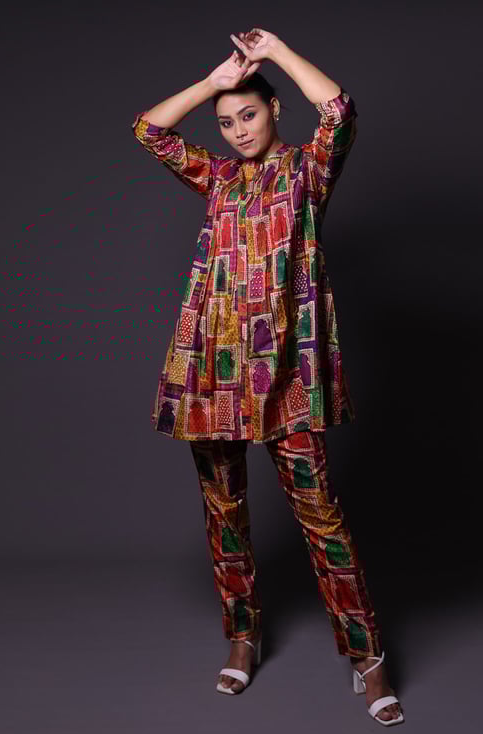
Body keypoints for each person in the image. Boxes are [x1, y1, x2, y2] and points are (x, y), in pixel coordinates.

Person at [131, 28, 405, 726]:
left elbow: (339, 110)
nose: (238, 131)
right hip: (211, 371)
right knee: (223, 512)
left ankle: (368, 656)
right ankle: (243, 635)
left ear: (274, 110)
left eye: (248, 114)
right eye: (226, 123)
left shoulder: (306, 171)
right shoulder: (218, 177)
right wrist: (215, 82)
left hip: (286, 371)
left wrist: (276, 52)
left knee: (321, 515)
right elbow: (150, 131)